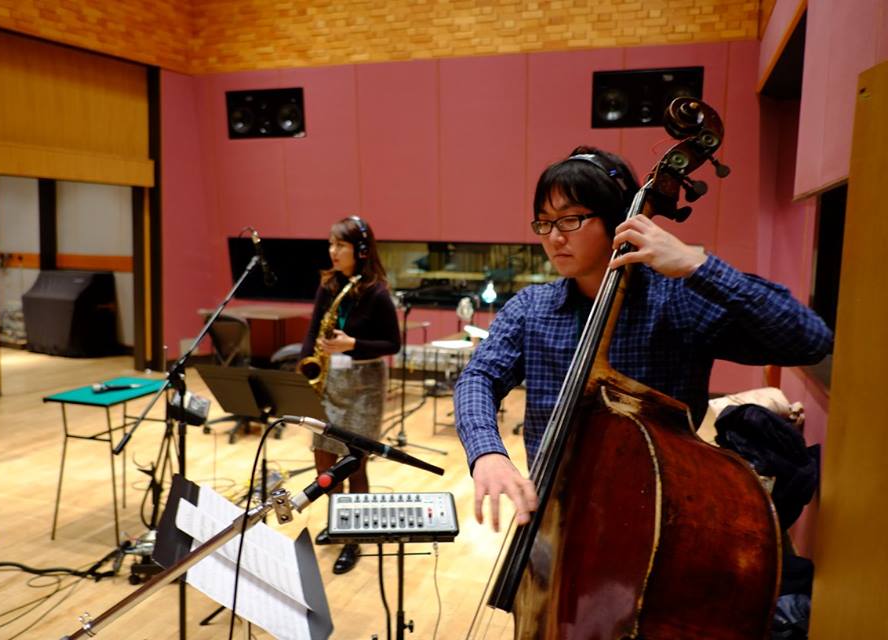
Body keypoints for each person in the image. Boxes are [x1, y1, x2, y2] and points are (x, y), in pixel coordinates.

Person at [454, 147, 834, 531]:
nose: (553, 237)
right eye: (544, 222)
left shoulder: (677, 302)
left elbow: (810, 339)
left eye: (570, 220)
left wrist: (699, 265)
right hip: (557, 515)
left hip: (662, 520)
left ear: (619, 220)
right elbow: (479, 377)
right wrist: (488, 453)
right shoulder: (531, 308)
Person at [299, 216, 400, 574]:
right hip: (329, 382)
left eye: (340, 245)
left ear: (361, 250)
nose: (333, 251)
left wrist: (352, 343)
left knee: (354, 465)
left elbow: (392, 344)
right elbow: (313, 331)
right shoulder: (328, 285)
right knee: (325, 463)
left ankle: (354, 537)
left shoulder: (377, 293)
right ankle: (337, 522)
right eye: (331, 243)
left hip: (364, 386)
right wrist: (306, 367)